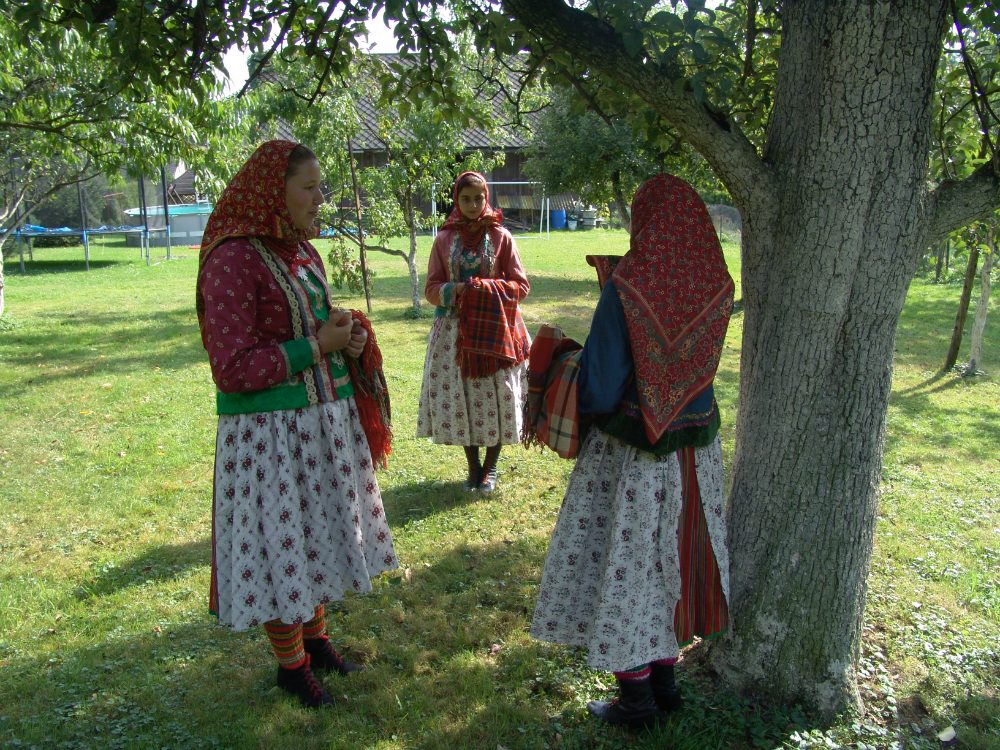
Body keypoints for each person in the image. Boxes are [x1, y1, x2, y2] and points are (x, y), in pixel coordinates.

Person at [528, 174, 735, 728]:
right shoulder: (716, 284)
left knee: (623, 565)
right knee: (667, 564)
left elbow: (598, 384)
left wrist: (564, 364)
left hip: (630, 456)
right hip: (696, 456)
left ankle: (636, 700)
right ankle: (665, 684)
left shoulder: (629, 286)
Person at [197, 140, 396, 709]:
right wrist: (316, 346)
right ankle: (291, 667)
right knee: (281, 546)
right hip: (267, 436)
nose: (319, 198)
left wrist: (346, 339)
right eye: (309, 187)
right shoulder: (233, 259)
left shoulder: (301, 252)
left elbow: (316, 329)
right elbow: (231, 368)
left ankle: (317, 642)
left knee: (314, 536)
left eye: (320, 186)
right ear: (272, 193)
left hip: (316, 428)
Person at [417, 171, 531, 491]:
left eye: (478, 198)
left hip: (496, 332)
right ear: (456, 199)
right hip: (455, 334)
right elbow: (431, 289)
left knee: (499, 397)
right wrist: (462, 292)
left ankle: (491, 468)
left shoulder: (501, 237)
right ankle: (473, 468)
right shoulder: (443, 240)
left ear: (486, 198)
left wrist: (483, 291)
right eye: (465, 198)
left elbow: (520, 286)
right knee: (464, 399)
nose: (472, 204)